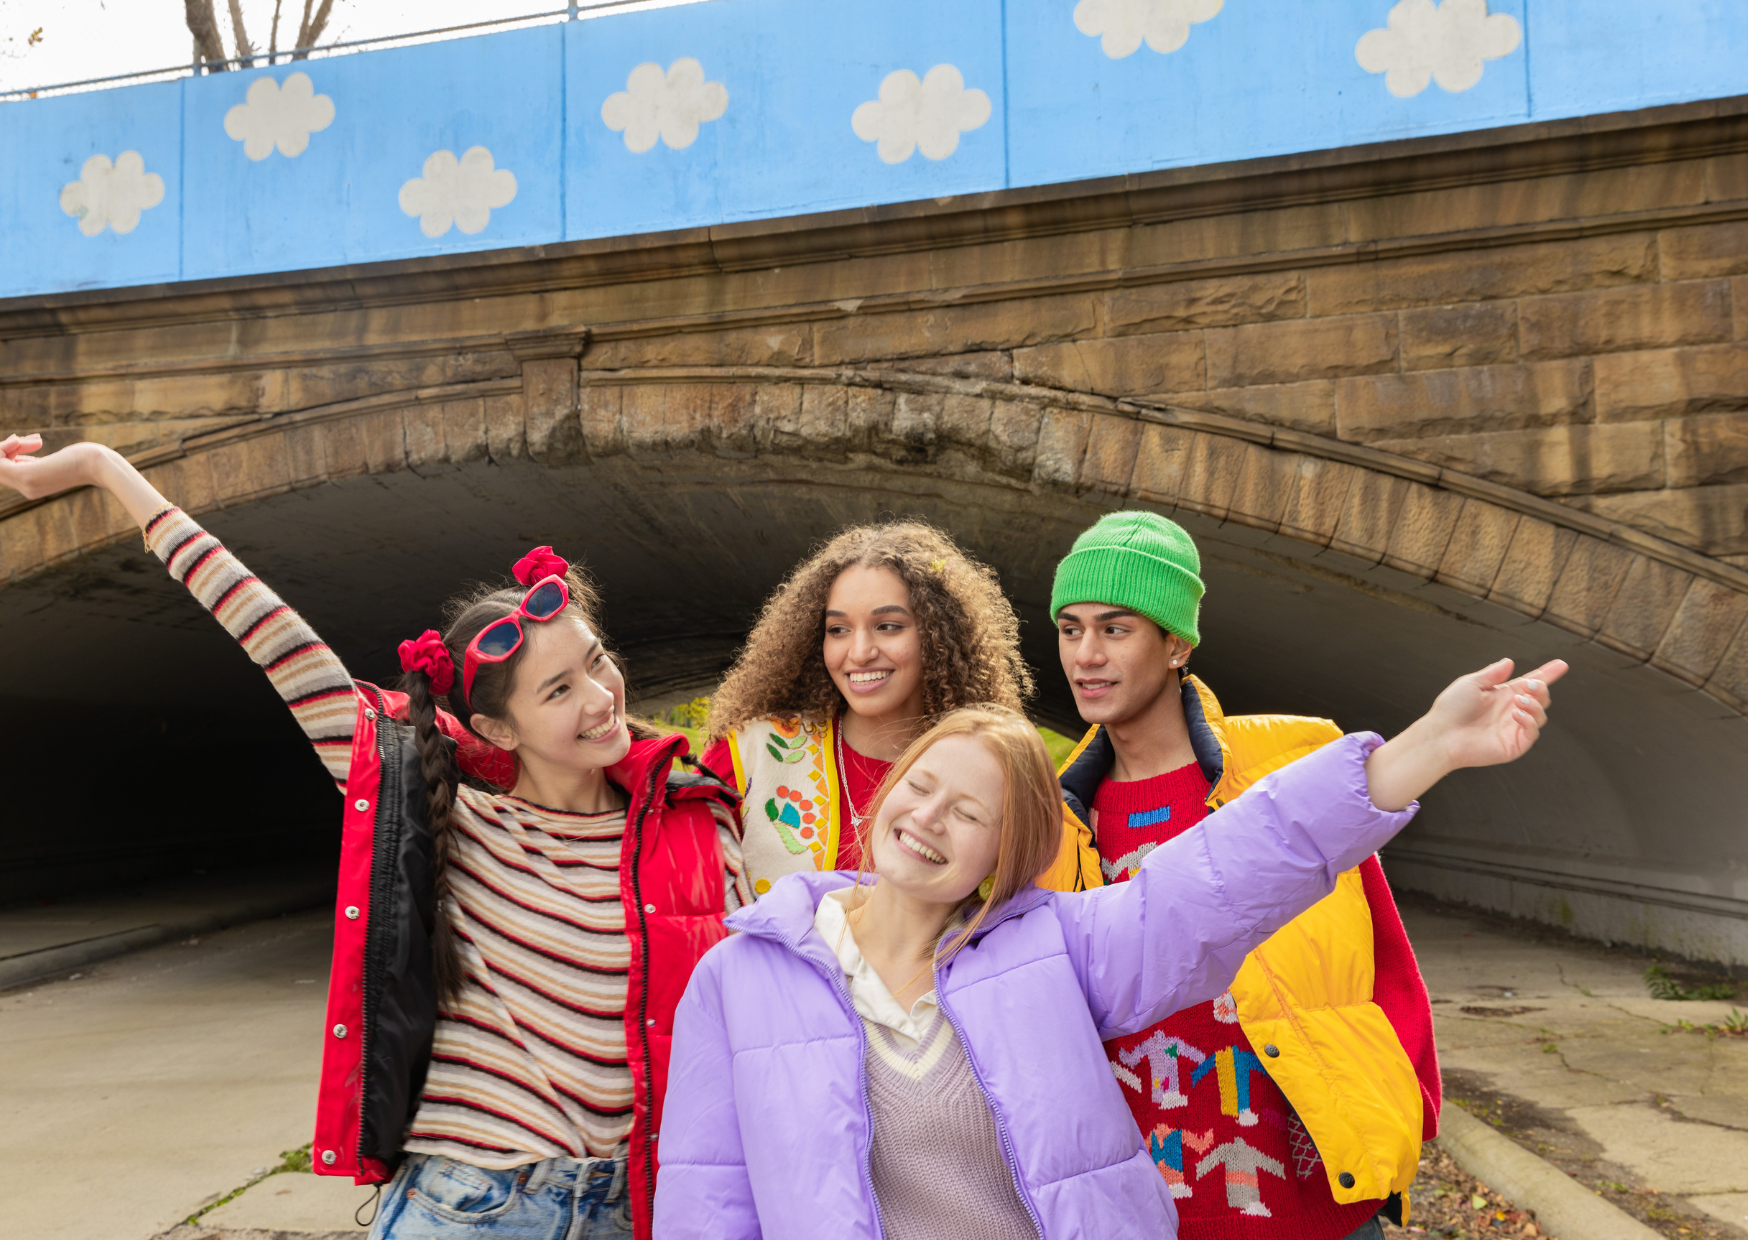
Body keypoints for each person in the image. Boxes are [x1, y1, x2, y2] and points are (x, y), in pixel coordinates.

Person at [0, 433, 750, 1240]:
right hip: (474, 1207)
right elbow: (276, 639)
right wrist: (100, 469)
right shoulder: (457, 823)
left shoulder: (693, 822)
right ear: (497, 726)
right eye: (560, 689)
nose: (601, 697)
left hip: (640, 1206)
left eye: (598, 663)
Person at [654, 657, 1563, 1240]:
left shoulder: (1054, 948)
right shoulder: (741, 978)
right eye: (921, 787)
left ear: (1003, 857)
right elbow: (709, 1201)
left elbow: (1221, 877)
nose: (929, 820)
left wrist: (1423, 751)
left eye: (969, 813)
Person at [1050, 510, 1440, 1238]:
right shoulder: (1052, 818)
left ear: (1176, 644)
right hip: (1146, 1207)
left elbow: (1382, 954)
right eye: (1070, 629)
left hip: (1310, 1204)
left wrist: (1396, 1114)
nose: (1087, 655)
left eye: (1116, 628)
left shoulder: (1290, 764)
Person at [701, 522, 1033, 895]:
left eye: (888, 626)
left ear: (939, 634)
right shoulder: (748, 753)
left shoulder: (991, 778)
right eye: (838, 629)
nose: (859, 653)